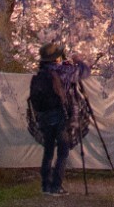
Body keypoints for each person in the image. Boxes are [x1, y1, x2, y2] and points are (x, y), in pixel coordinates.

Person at [28, 41, 73, 196]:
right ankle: (56, 186)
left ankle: (45, 185)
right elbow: (76, 73)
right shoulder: (60, 73)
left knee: (48, 151)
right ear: (56, 59)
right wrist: (71, 62)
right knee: (63, 152)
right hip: (59, 117)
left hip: (44, 118)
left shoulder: (39, 76)